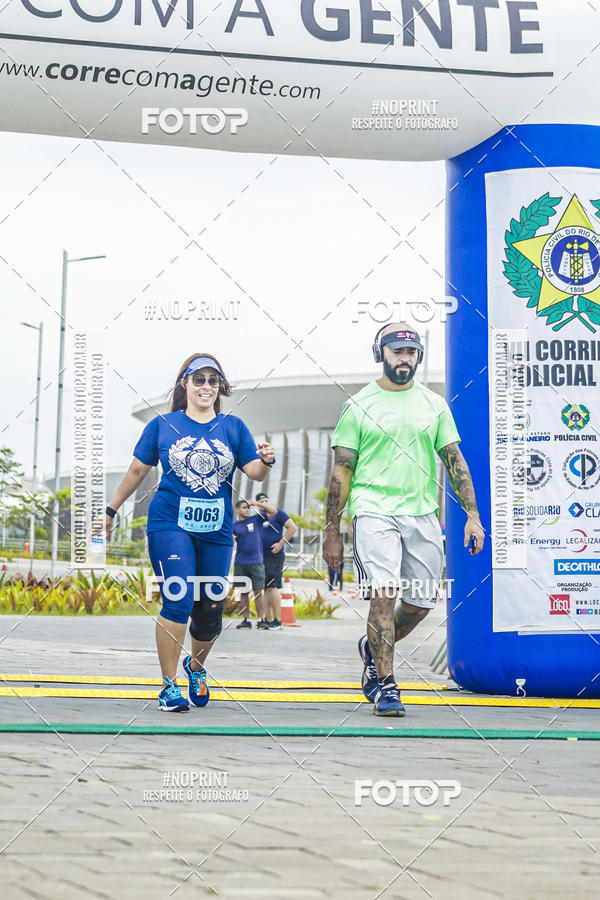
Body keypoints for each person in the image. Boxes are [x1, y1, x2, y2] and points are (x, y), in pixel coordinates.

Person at [323, 324, 485, 717]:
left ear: (419, 357)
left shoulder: (434, 405)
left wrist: (473, 515)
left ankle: (372, 648)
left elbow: (454, 461)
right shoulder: (359, 405)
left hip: (421, 513)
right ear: (380, 353)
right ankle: (387, 685)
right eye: (397, 351)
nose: (404, 359)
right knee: (384, 593)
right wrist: (331, 531)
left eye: (411, 353)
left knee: (418, 604)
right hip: (373, 510)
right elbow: (342, 470)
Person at [104, 353, 275, 712]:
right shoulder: (163, 425)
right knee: (178, 597)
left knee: (210, 608)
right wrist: (110, 511)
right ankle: (168, 685)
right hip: (170, 524)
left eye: (213, 381)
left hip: (215, 530)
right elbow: (136, 471)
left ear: (220, 388)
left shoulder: (233, 427)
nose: (206, 387)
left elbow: (255, 472)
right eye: (199, 380)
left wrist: (267, 460)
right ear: (185, 384)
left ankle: (195, 668)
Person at [254, 492, 297, 629]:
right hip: (261, 556)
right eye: (261, 502)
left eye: (266, 501)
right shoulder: (258, 518)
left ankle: (278, 620)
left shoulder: (278, 513)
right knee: (265, 588)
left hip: (274, 555)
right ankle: (268, 620)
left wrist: (281, 544)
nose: (264, 503)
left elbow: (292, 527)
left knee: (272, 587)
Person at [232, 499, 268, 629]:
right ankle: (246, 620)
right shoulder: (234, 525)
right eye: (244, 507)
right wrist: (231, 539)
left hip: (256, 562)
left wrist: (256, 504)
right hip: (240, 562)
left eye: (248, 507)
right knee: (243, 592)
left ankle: (260, 620)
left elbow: (272, 511)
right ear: (237, 510)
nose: (247, 510)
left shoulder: (256, 520)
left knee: (258, 591)